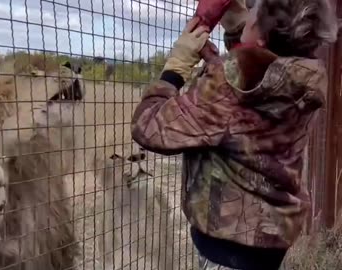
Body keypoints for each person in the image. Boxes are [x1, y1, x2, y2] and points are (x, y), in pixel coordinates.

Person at [130, 0, 338, 269]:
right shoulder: (304, 75)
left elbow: (148, 127)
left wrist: (175, 68)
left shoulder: (227, 86)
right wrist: (220, 59)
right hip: (272, 236)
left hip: (226, 245)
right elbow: (253, 86)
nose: (248, 11)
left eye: (254, 11)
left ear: (262, 36)